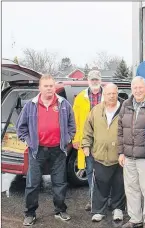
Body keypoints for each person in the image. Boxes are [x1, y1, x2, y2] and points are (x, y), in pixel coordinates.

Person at [16, 74, 76, 226]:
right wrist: (28, 140)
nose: (49, 88)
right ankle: (30, 213)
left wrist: (68, 138)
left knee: (60, 182)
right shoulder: (30, 105)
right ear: (40, 88)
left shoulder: (64, 104)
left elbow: (72, 125)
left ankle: (60, 210)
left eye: (51, 85)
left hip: (58, 150)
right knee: (32, 183)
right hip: (37, 150)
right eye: (46, 86)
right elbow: (20, 127)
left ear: (54, 87)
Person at [81, 83, 126, 223]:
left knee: (119, 184)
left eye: (114, 93)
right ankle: (98, 210)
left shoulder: (125, 109)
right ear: (103, 95)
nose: (111, 96)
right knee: (100, 184)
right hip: (100, 155)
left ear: (117, 93)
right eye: (108, 94)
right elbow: (87, 129)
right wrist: (86, 145)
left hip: (119, 155)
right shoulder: (95, 110)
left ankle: (118, 209)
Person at [118, 76, 145, 228]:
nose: (138, 90)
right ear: (131, 89)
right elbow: (120, 129)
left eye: (141, 87)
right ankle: (135, 218)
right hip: (128, 156)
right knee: (131, 188)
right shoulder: (126, 105)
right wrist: (120, 152)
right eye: (135, 88)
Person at [72, 70, 103, 211]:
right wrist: (76, 138)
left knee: (106, 172)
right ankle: (92, 200)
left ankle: (105, 200)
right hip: (88, 142)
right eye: (92, 79)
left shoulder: (107, 95)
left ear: (100, 80)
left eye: (97, 79)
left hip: (104, 141)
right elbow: (75, 120)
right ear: (88, 80)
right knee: (90, 171)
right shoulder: (80, 97)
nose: (95, 81)